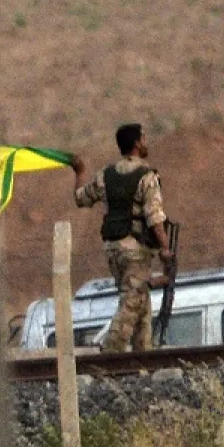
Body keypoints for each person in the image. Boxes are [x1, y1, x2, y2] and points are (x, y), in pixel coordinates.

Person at [71, 123, 172, 352]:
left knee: (141, 305)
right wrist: (165, 248)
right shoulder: (147, 176)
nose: (146, 142)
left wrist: (79, 172)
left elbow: (80, 198)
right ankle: (110, 355)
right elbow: (154, 216)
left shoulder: (105, 175)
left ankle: (143, 358)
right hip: (135, 250)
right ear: (136, 143)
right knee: (131, 305)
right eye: (143, 138)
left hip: (113, 249)